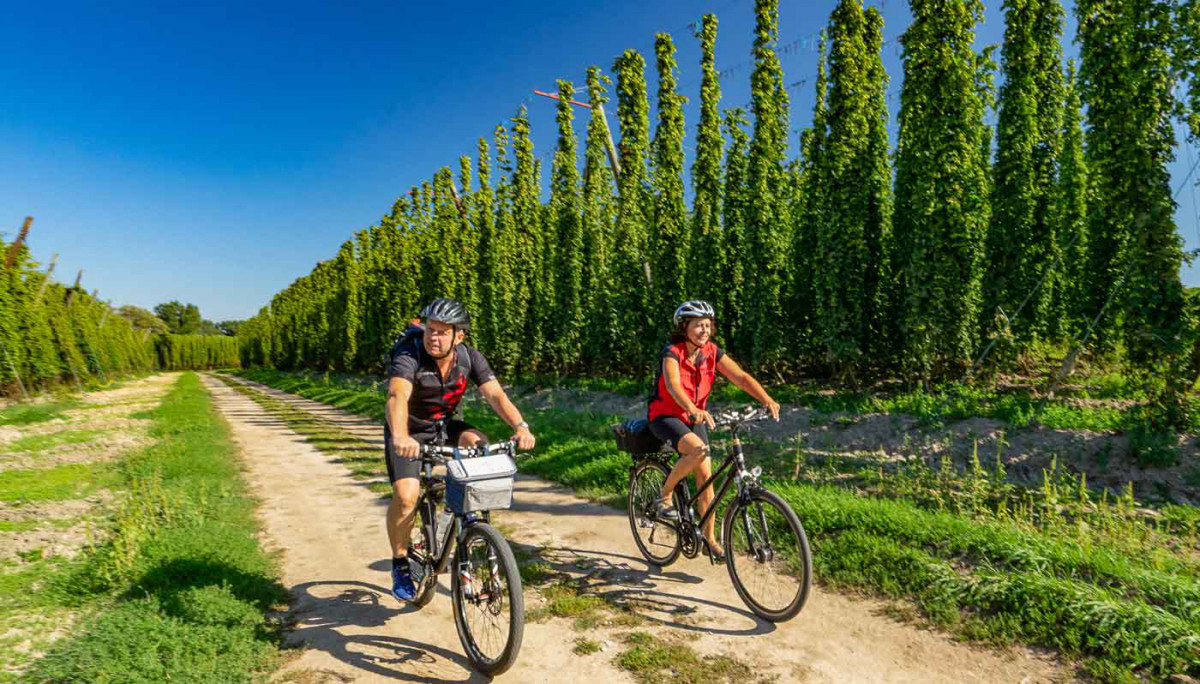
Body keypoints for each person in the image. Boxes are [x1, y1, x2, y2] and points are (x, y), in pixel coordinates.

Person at [384, 298, 535, 602]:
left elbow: (496, 396)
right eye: (430, 330)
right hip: (407, 430)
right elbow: (397, 395)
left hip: (443, 426)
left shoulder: (469, 358)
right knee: (406, 496)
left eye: (442, 332)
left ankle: (467, 517)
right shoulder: (409, 354)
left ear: (459, 336)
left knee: (479, 445)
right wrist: (401, 435)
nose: (433, 338)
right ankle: (400, 563)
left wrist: (521, 426)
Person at [647, 300, 780, 560]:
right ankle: (664, 495)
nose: (704, 330)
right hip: (665, 415)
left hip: (695, 416)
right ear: (684, 327)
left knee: (706, 480)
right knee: (697, 450)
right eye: (698, 325)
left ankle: (708, 539)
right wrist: (692, 407)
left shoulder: (711, 351)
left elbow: (740, 376)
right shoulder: (672, 352)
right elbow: (674, 386)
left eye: (708, 325)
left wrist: (766, 399)